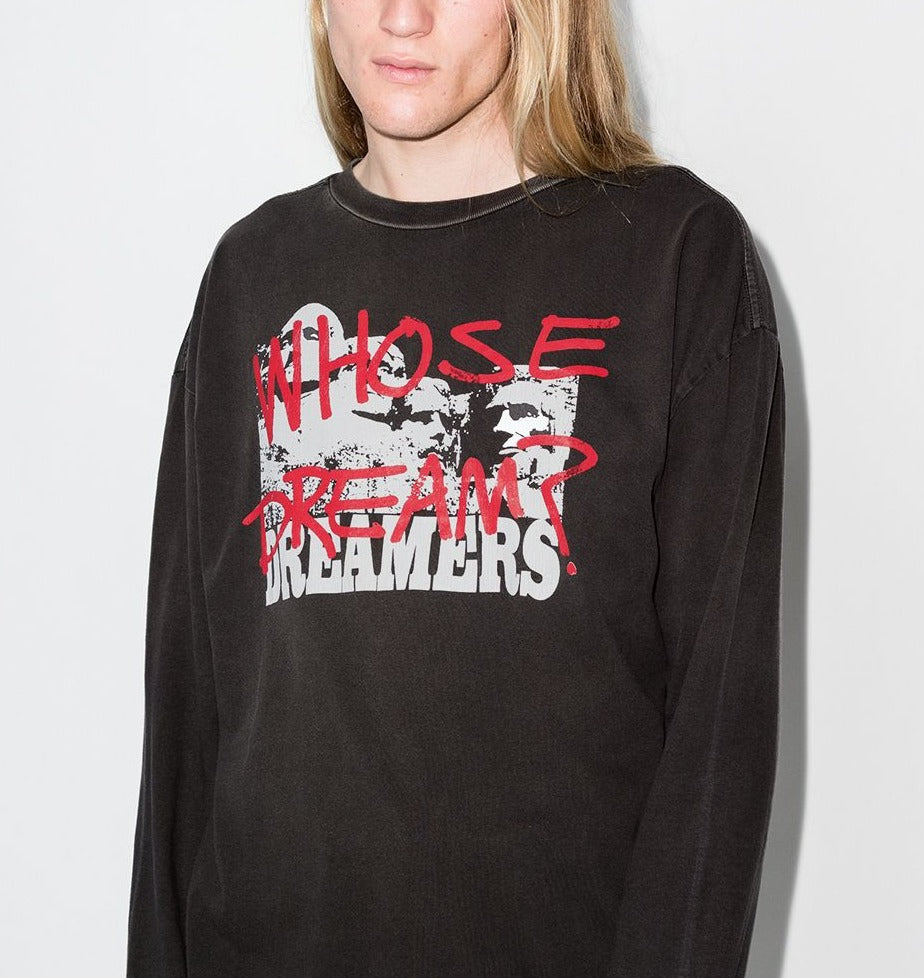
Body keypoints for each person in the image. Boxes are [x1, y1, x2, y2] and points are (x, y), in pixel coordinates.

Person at [126, 0, 786, 975]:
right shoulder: (252, 276)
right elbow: (187, 708)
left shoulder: (675, 256)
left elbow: (718, 730)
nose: (404, 16)